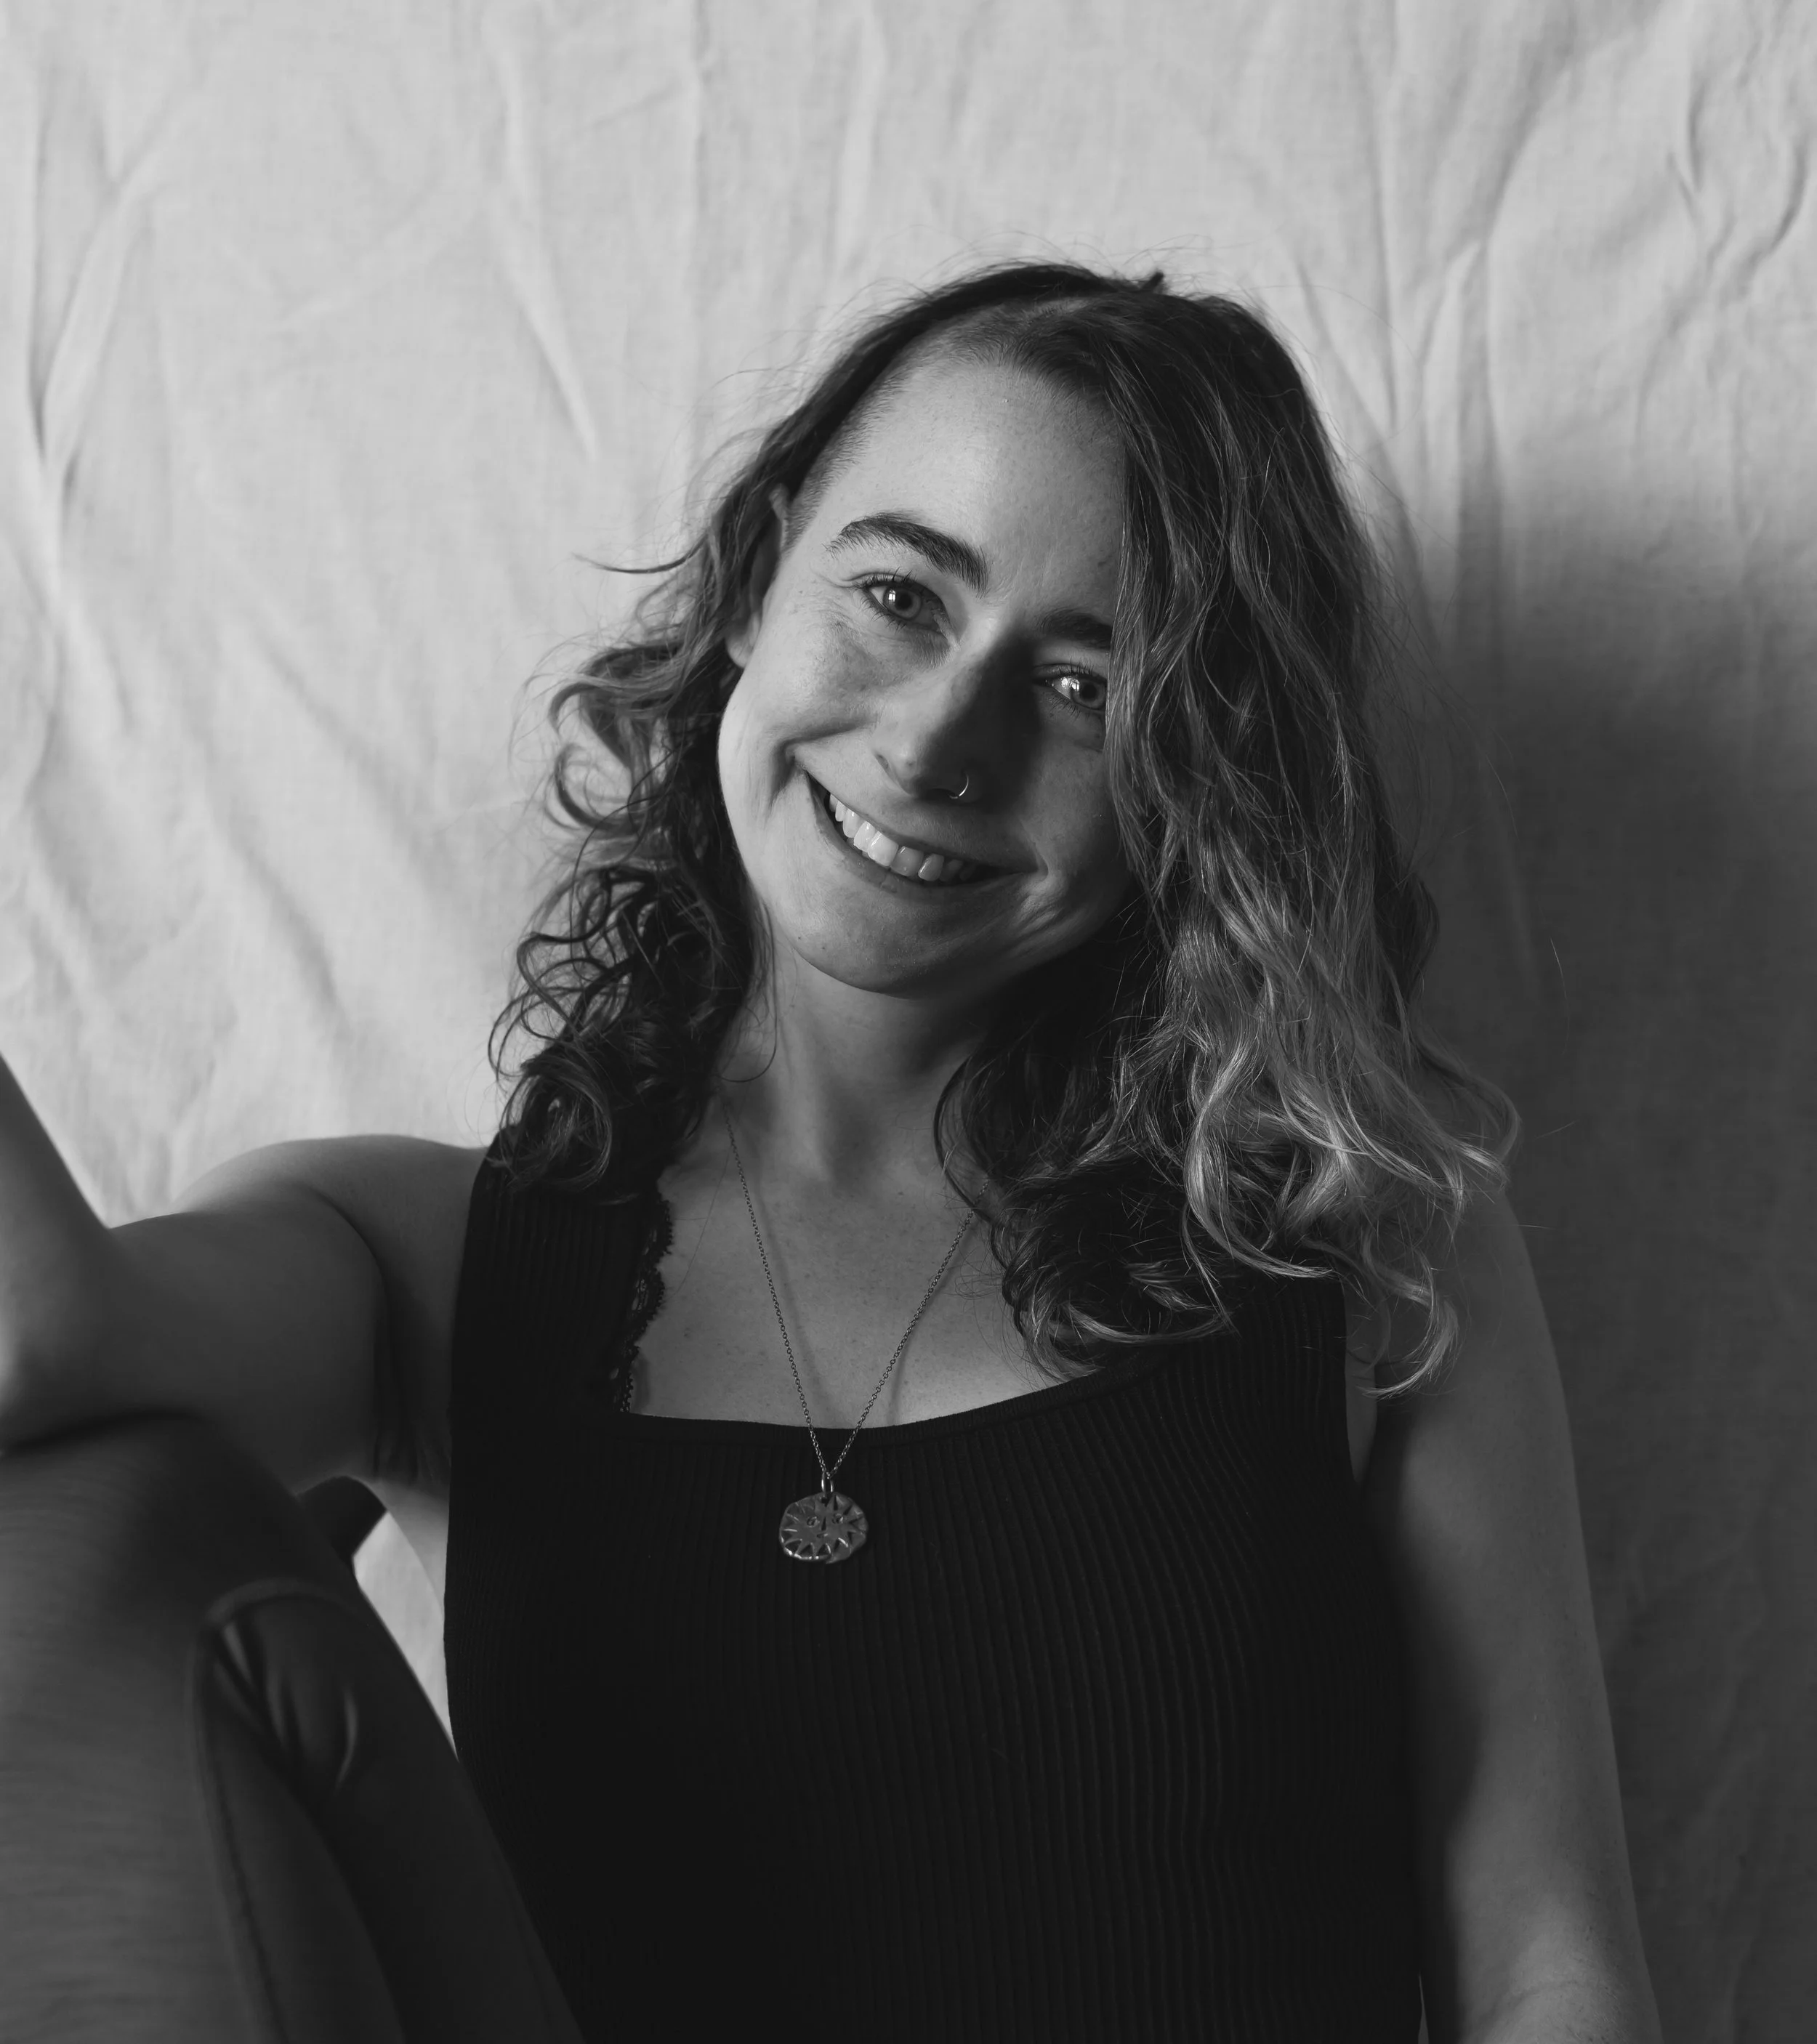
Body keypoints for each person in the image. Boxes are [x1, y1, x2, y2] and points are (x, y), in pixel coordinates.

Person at [0, 260, 1661, 2042]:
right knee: (80, 1557)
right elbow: (33, 1354)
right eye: (894, 595)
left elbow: (1547, 1971)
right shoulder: (425, 1252)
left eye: (1086, 685)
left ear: (1201, 771)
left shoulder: (1363, 1241)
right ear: (759, 577)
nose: (940, 738)